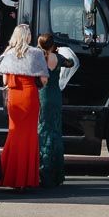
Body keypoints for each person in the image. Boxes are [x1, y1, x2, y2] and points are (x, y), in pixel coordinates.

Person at [0, 24, 49, 191]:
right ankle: (27, 178)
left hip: (14, 97)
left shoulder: (8, 54)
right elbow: (44, 80)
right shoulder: (37, 53)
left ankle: (9, 175)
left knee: (14, 132)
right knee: (30, 135)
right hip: (30, 96)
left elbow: (4, 81)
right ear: (28, 36)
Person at [36, 33, 73, 188]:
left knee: (42, 131)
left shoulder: (38, 58)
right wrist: (58, 51)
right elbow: (70, 63)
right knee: (56, 132)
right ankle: (57, 172)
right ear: (52, 45)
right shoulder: (57, 58)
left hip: (42, 96)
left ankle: (42, 172)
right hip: (55, 96)